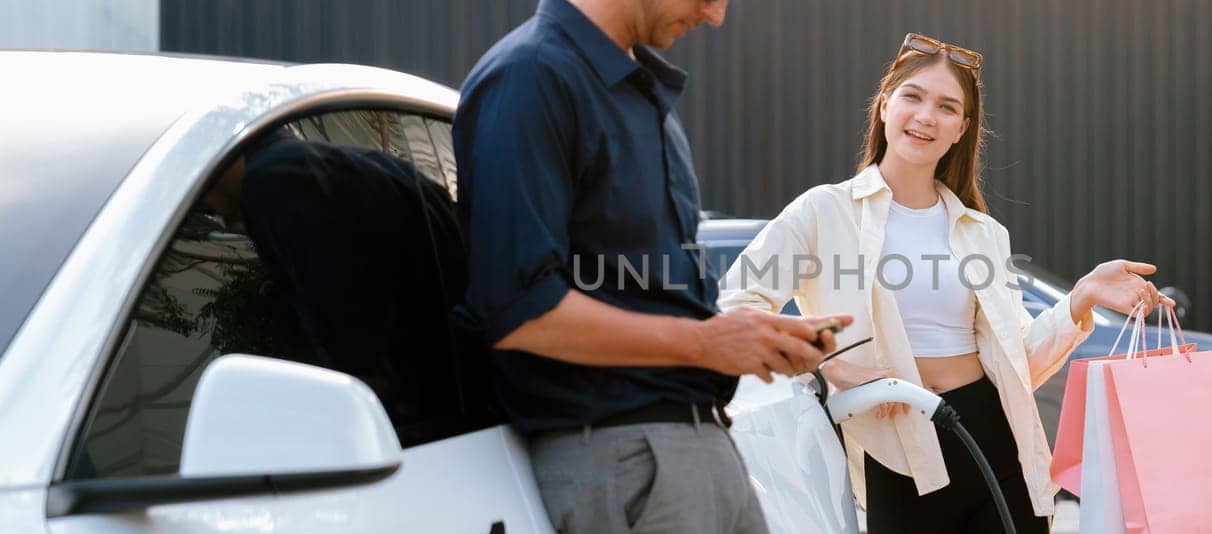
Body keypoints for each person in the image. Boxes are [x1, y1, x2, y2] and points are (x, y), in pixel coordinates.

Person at [718, 33, 1174, 533]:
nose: (926, 116)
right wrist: (832, 368)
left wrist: (1081, 296)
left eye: (946, 106)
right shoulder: (823, 211)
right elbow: (736, 304)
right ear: (886, 104)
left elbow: (1016, 363)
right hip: (888, 446)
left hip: (990, 440)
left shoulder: (983, 234)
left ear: (962, 128)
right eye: (913, 96)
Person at [452, 0, 851, 532]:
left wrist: (750, 339)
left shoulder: (638, 91)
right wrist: (706, 343)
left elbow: (643, 297)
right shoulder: (530, 77)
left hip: (700, 449)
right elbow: (520, 308)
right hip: (627, 460)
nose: (716, 16)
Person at [201, 129, 499, 446]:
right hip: (479, 413)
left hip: (429, 435)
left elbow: (357, 360)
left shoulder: (274, 183)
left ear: (213, 161)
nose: (220, 219)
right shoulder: (343, 168)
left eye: (204, 205)